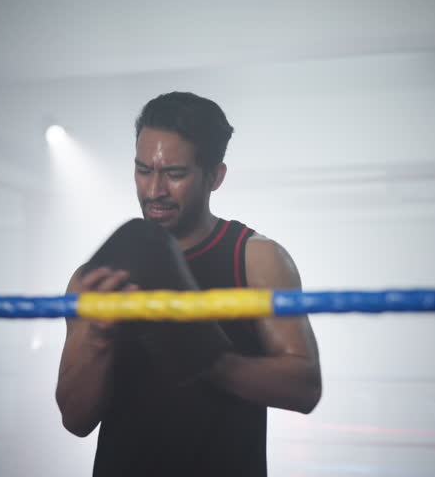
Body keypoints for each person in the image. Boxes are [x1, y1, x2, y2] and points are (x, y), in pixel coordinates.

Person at [55, 91, 321, 476]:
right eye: (143, 170)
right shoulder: (100, 276)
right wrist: (99, 341)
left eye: (174, 174)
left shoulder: (254, 258)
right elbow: (75, 420)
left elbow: (305, 389)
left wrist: (203, 357)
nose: (153, 191)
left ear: (215, 176)